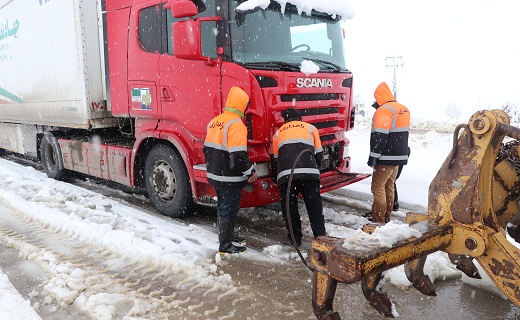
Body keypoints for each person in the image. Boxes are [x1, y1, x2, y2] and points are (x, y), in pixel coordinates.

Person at [204, 86, 258, 254]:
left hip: (215, 174)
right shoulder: (237, 125)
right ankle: (225, 246)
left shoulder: (215, 121)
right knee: (229, 208)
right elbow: (238, 157)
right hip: (229, 177)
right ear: (242, 105)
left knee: (222, 206)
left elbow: (206, 150)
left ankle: (226, 237)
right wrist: (250, 172)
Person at [272, 108, 325, 246]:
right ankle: (321, 238)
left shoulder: (278, 133)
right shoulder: (311, 128)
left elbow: (275, 160)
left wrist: (276, 177)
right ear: (300, 118)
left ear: (286, 120)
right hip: (310, 174)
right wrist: (313, 167)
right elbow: (319, 154)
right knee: (314, 207)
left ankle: (295, 239)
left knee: (290, 209)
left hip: (287, 176)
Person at [367, 82, 410, 223]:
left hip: (386, 157)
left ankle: (378, 219)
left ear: (379, 96)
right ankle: (387, 217)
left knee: (377, 188)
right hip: (400, 156)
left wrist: (373, 158)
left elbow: (380, 136)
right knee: (389, 187)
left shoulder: (384, 110)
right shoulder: (402, 108)